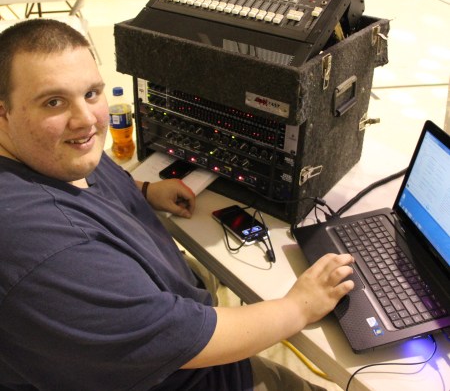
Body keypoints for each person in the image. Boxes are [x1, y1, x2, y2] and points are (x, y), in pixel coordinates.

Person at [0, 19, 355, 391]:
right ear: (4, 112)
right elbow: (192, 339)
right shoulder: (49, 250)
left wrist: (145, 191)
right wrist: (299, 306)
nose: (86, 120)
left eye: (91, 93)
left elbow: (90, 182)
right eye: (53, 102)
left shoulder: (50, 153)